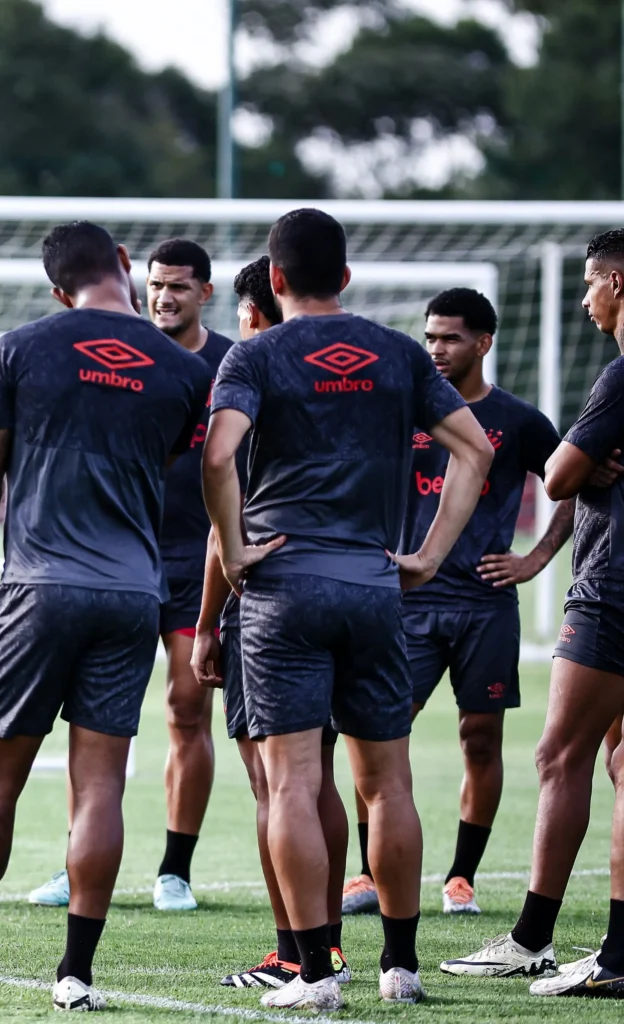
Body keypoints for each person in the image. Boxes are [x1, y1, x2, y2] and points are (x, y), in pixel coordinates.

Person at [0, 221, 210, 1011]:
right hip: (135, 595)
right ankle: (76, 978)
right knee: (101, 792)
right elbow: (169, 465)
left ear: (58, 291)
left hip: (38, 590)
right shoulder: (185, 369)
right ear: (126, 269)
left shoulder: (23, 348)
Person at [203, 208, 492, 1009]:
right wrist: (430, 555)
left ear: (278, 280)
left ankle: (317, 975)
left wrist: (232, 549)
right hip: (373, 589)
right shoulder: (400, 353)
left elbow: (219, 454)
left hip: (282, 591)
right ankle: (400, 966)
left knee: (293, 783)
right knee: (386, 784)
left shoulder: (255, 354)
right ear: (349, 278)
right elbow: (478, 449)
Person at [343, 288, 574, 920]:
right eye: (430, 337)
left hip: (485, 606)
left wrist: (534, 559)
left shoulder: (518, 420)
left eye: (449, 337)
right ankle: (365, 873)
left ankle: (461, 878)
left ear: (483, 343)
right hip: (407, 603)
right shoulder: (403, 412)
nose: (437, 349)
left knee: (480, 738)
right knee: (380, 734)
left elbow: (570, 485)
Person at [441, 229, 624, 998]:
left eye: (591, 282)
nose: (585, 299)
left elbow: (555, 478)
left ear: (618, 282)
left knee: (559, 757)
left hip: (613, 593)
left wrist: (572, 466)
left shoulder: (620, 377)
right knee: (619, 762)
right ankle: (616, 952)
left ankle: (532, 939)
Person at [26, 239, 233, 913]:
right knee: (86, 720)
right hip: (116, 560)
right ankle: (74, 861)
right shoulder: (124, 356)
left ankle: (175, 869)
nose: (163, 296)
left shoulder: (227, 366)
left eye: (178, 286)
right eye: (154, 284)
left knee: (185, 709)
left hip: (197, 562)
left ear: (206, 293)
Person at [192, 256, 352, 990]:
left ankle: (295, 954)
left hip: (273, 603)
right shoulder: (350, 384)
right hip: (356, 590)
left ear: (258, 310)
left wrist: (206, 624)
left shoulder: (251, 380)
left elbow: (226, 527)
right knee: (324, 778)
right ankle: (338, 947)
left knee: (276, 785)